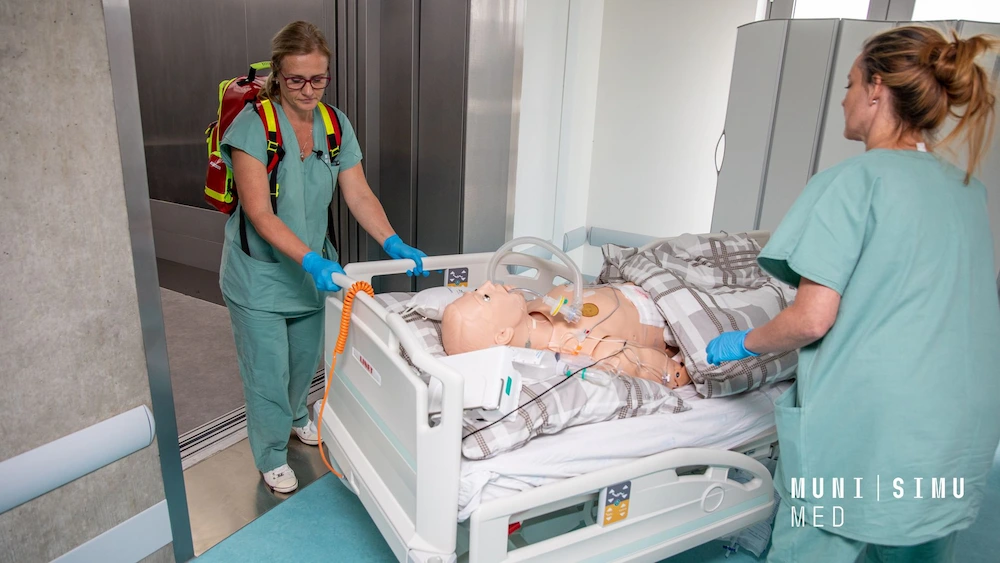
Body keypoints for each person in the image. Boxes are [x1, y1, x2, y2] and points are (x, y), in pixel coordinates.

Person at [706, 26, 1000, 562]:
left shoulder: (853, 182)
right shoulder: (966, 192)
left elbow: (811, 319)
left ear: (876, 88)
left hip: (870, 426)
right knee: (918, 546)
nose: (844, 99)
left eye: (849, 84)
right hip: (955, 427)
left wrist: (740, 343)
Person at [219, 21, 429, 493]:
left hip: (313, 272)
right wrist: (310, 261)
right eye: (296, 80)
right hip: (261, 277)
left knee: (303, 362)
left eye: (318, 79)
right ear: (277, 73)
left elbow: (358, 192)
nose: (308, 90)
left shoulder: (334, 125)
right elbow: (259, 214)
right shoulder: (253, 127)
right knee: (268, 373)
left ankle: (297, 416)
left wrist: (392, 241)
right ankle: (271, 454)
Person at [441, 281, 690, 387]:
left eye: (477, 289)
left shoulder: (532, 307)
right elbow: (675, 374)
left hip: (637, 283)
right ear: (503, 335)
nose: (487, 284)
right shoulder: (591, 352)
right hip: (673, 308)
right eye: (485, 297)